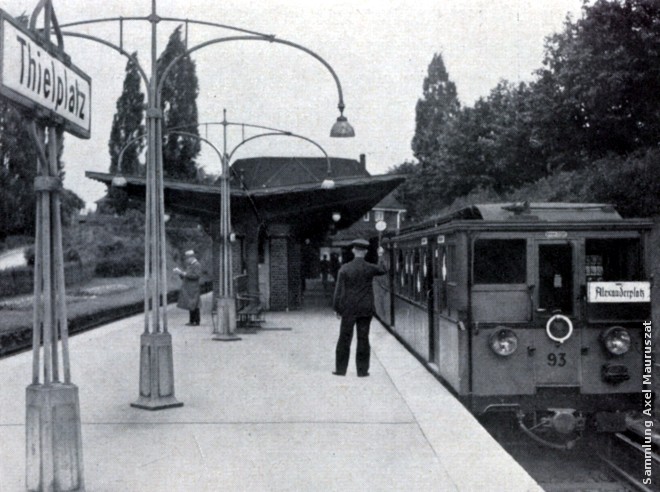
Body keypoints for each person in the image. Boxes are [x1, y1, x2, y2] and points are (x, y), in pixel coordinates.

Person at [332, 238, 387, 377]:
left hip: (348, 308)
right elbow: (383, 270)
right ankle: (362, 371)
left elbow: (338, 291)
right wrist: (380, 256)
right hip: (365, 308)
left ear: (353, 251)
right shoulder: (370, 268)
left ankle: (340, 370)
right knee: (363, 339)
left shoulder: (344, 268)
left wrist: (337, 308)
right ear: (366, 252)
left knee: (344, 338)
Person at [174, 250, 202, 326]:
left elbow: (196, 276)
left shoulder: (197, 265)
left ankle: (196, 321)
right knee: (191, 304)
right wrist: (180, 273)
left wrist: (184, 274)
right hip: (190, 288)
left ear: (191, 257)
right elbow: (186, 275)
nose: (186, 260)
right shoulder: (190, 265)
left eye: (187, 258)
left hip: (193, 287)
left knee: (194, 304)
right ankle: (192, 320)